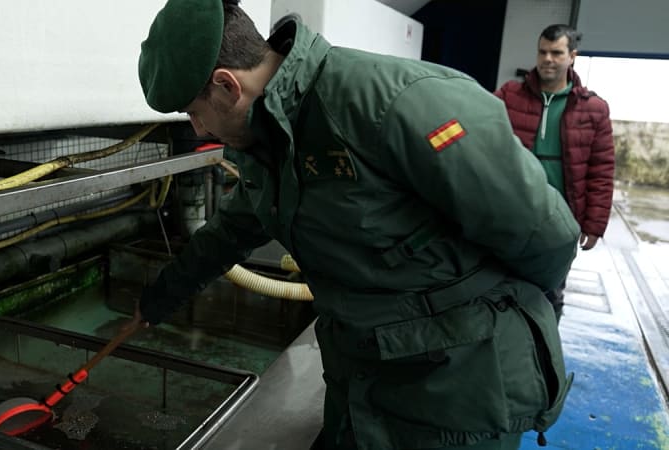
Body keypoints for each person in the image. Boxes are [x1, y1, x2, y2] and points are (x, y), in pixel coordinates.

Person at [136, 1, 580, 448]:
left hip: (459, 392)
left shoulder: (399, 103)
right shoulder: (271, 136)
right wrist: (159, 298)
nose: (198, 128)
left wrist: (509, 316)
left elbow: (546, 237)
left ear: (227, 86)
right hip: (365, 379)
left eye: (193, 112)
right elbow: (231, 232)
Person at [494, 24, 615, 321]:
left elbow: (601, 170)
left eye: (556, 53)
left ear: (572, 56)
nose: (547, 59)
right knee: (498, 287)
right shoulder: (510, 95)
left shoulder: (594, 108)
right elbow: (483, 138)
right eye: (542, 52)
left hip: (562, 219)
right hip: (512, 213)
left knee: (550, 293)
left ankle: (544, 357)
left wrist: (594, 223)